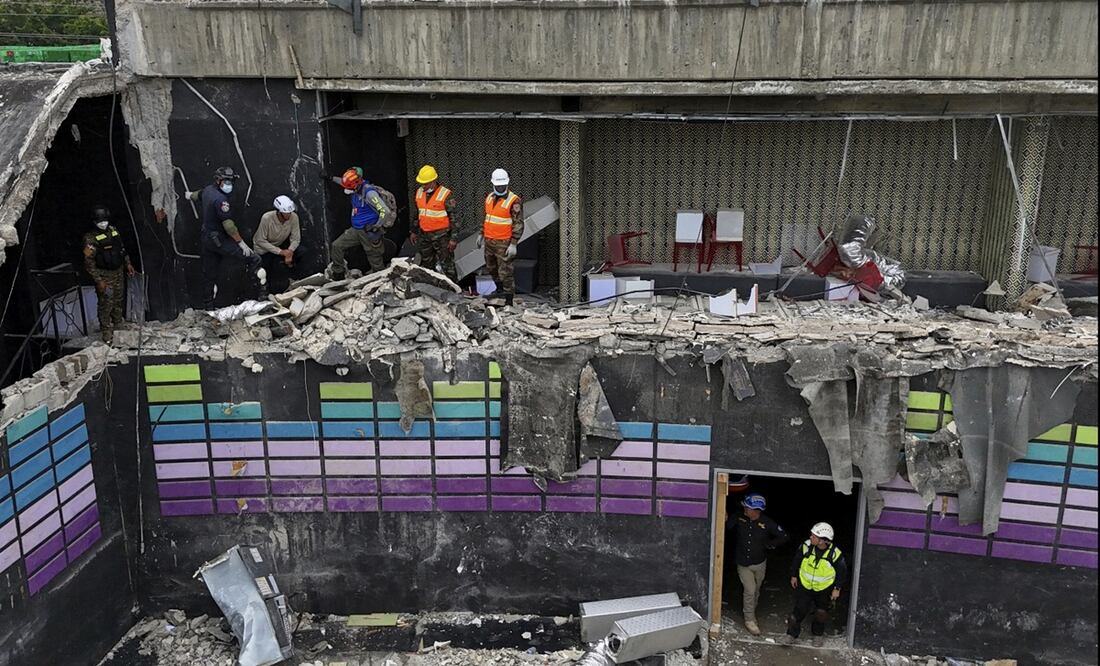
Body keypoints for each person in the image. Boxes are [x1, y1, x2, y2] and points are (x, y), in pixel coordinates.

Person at [184, 166, 265, 308]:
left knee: (209, 274)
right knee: (254, 259)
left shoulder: (209, 190)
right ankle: (261, 296)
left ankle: (208, 308)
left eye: (231, 181)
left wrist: (189, 195)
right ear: (218, 181)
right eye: (226, 181)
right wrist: (241, 243)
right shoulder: (221, 200)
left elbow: (198, 195)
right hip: (219, 241)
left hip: (207, 239)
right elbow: (229, 226)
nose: (229, 185)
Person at [781, 522, 847, 648]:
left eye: (814, 536)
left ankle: (818, 635)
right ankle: (791, 635)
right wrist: (793, 575)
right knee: (798, 611)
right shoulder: (806, 546)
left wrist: (837, 589)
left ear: (823, 541)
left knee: (821, 613)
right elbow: (796, 560)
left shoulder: (834, 554)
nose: (811, 537)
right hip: (805, 586)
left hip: (824, 588)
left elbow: (842, 572)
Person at [324, 166, 396, 279]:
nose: (347, 190)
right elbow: (342, 182)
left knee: (374, 257)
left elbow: (384, 211)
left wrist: (376, 226)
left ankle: (382, 279)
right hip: (356, 229)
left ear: (356, 185)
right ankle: (338, 273)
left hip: (368, 231)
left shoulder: (369, 194)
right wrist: (330, 178)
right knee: (337, 245)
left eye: (349, 188)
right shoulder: (353, 186)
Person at [731, 493, 788, 635]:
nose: (745, 509)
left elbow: (783, 536)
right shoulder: (739, 517)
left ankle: (751, 611)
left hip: (760, 563)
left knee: (756, 590)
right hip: (743, 563)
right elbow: (726, 526)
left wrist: (770, 545)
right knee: (750, 590)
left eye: (748, 508)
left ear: (757, 511)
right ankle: (749, 619)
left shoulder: (767, 523)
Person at [82, 206, 135, 343]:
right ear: (94, 222)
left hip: (118, 271)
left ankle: (118, 325)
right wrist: (98, 280)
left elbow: (122, 249)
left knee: (118, 299)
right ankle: (106, 332)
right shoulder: (90, 239)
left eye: (105, 220)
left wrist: (128, 263)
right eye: (100, 221)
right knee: (106, 303)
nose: (103, 223)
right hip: (104, 275)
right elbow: (88, 262)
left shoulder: (114, 231)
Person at [476, 168, 523, 302]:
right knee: (491, 268)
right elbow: (486, 217)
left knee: (505, 272)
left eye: (502, 185)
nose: (500, 187)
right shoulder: (489, 198)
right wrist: (481, 234)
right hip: (489, 241)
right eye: (498, 185)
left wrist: (513, 244)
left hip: (504, 242)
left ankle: (509, 299)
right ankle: (499, 290)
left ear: (507, 184)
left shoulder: (514, 201)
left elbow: (518, 223)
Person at [410, 164, 458, 282]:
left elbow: (454, 219)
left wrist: (453, 239)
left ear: (433, 181)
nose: (424, 186)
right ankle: (431, 289)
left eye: (426, 183)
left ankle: (453, 291)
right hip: (425, 236)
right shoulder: (419, 193)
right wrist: (414, 231)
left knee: (447, 266)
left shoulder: (445, 194)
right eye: (422, 183)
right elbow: (418, 213)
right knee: (427, 265)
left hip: (442, 237)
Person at [253, 195, 302, 293]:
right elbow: (260, 240)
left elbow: (296, 238)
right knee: (265, 271)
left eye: (290, 212)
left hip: (280, 246)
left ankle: (297, 281)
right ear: (279, 212)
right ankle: (265, 292)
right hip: (264, 249)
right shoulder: (267, 218)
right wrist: (280, 252)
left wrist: (290, 251)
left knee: (302, 252)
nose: (289, 215)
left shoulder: (294, 217)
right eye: (286, 213)